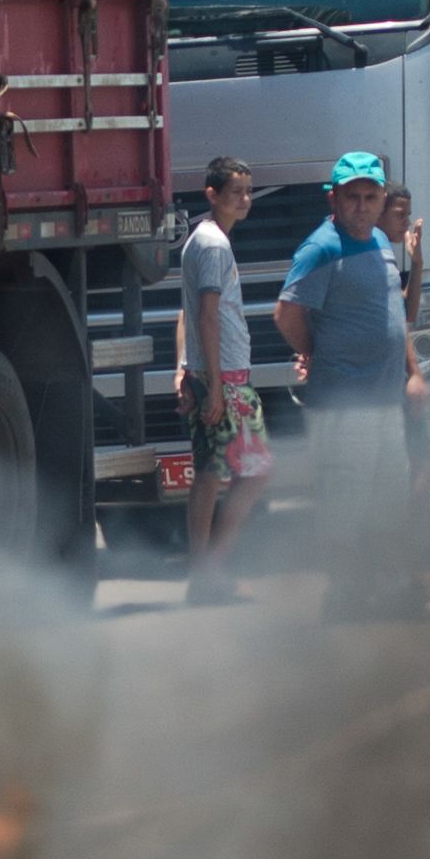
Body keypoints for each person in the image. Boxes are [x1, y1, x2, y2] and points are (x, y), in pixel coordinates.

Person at [278, 149, 430, 620]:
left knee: (388, 500)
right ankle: (342, 598)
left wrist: (413, 374)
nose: (362, 205)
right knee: (345, 505)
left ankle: (387, 590)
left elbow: (394, 316)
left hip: (383, 401)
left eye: (371, 196)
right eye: (353, 197)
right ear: (334, 198)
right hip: (344, 405)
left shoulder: (379, 245)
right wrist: (317, 351)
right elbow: (286, 313)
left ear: (382, 198)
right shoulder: (322, 247)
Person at [177, 157, 271, 603]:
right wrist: (215, 385)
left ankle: (207, 571)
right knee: (241, 474)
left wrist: (184, 368)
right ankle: (209, 569)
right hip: (226, 378)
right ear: (211, 194)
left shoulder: (203, 239)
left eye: (248, 191)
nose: (245, 199)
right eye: (236, 191)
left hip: (216, 374)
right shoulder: (213, 245)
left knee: (214, 474)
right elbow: (207, 315)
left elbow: (189, 312)